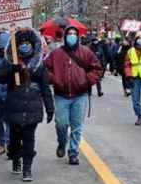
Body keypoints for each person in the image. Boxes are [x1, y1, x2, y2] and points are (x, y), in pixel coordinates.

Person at [0, 29, 54, 182]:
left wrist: (50, 107)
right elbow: (0, 78)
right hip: (14, 106)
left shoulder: (39, 65)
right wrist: (10, 69)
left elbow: (45, 87)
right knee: (14, 138)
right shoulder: (10, 61)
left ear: (33, 45)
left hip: (32, 107)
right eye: (21, 43)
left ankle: (27, 168)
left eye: (27, 43)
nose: (24, 46)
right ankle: (16, 159)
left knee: (29, 138)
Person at [44, 26, 103, 165]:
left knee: (76, 126)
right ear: (65, 37)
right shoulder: (56, 54)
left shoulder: (86, 52)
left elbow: (97, 69)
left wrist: (86, 80)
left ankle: (73, 152)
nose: (71, 36)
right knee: (61, 124)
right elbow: (45, 69)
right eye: (69, 34)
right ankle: (61, 143)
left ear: (78, 36)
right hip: (61, 95)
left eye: (74, 34)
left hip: (80, 95)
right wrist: (55, 79)